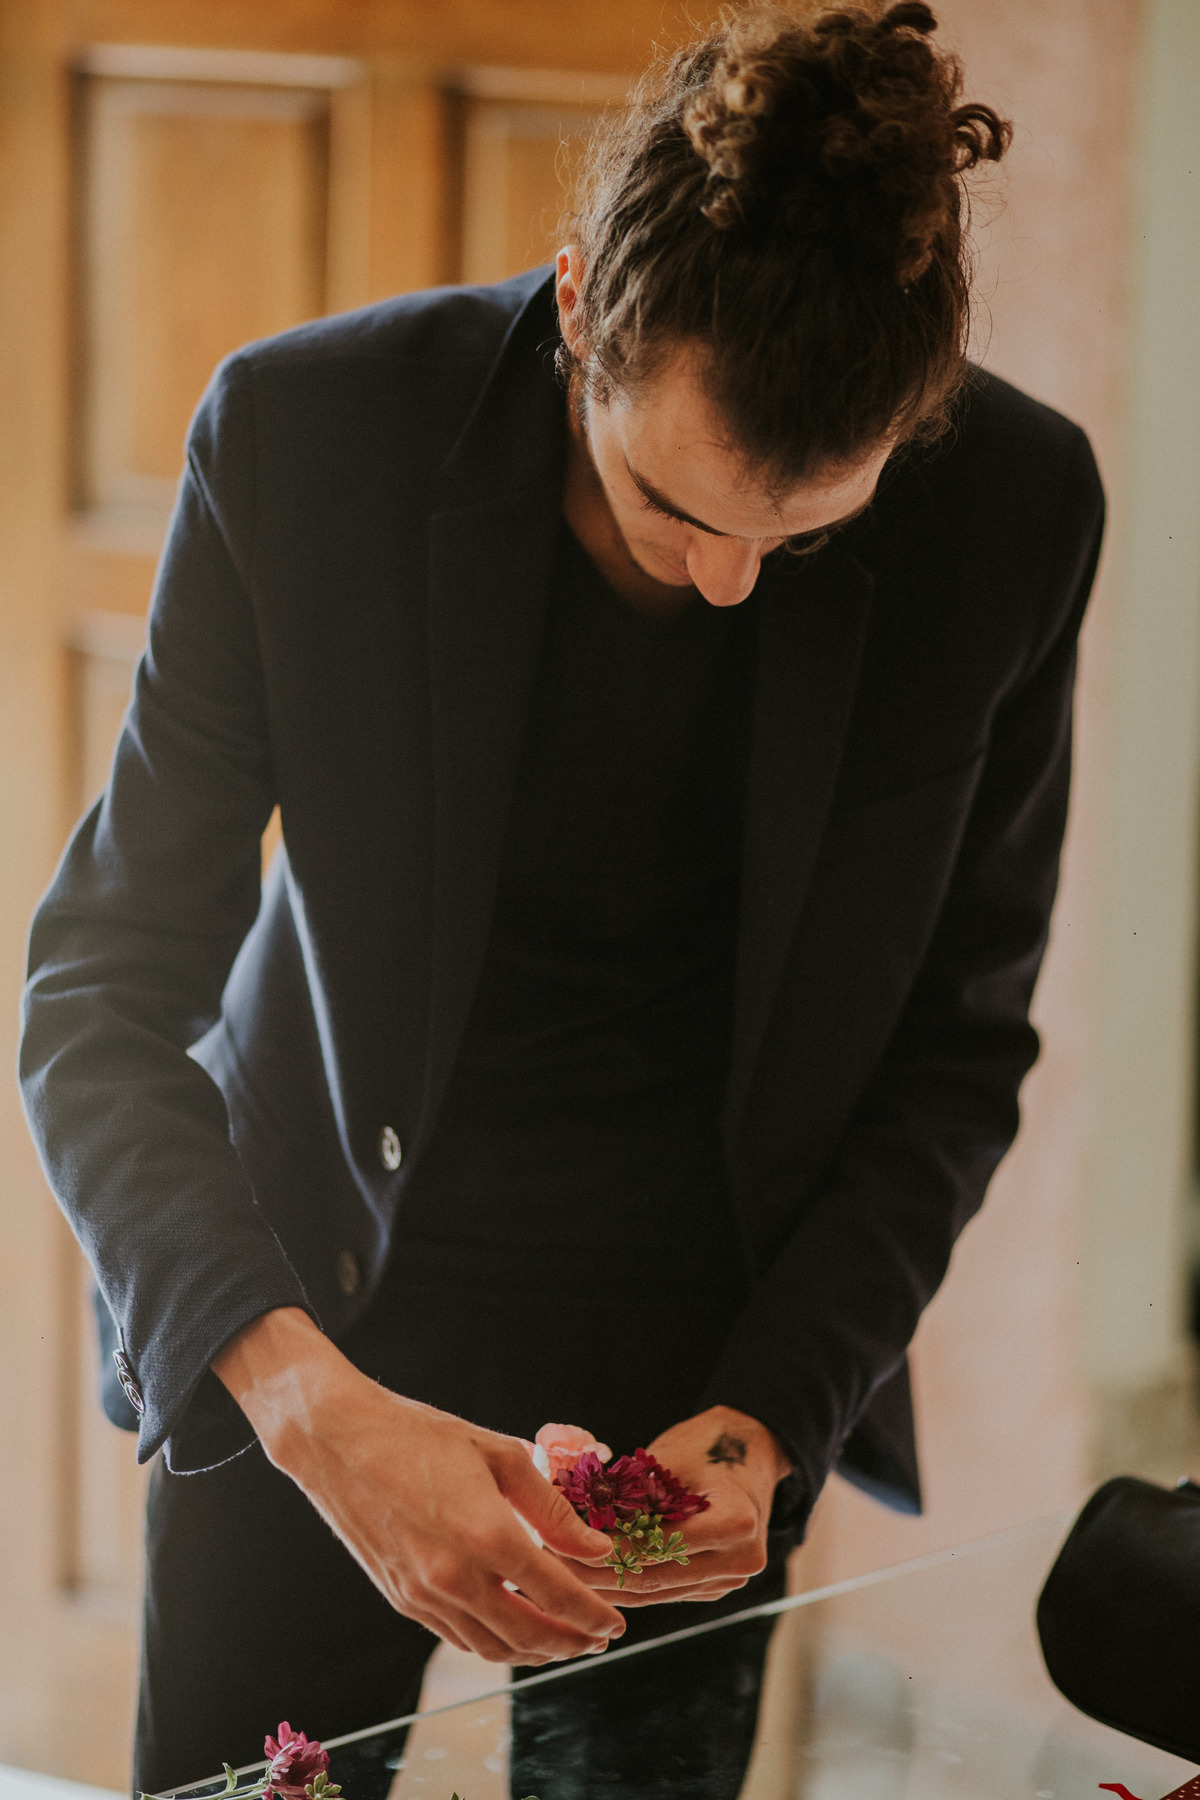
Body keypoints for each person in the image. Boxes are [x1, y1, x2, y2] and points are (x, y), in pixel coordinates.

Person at [19, 2, 1104, 1794]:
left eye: (807, 532)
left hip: (707, 1358)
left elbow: (956, 1043)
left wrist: (770, 1419)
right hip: (301, 1312)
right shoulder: (305, 439)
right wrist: (301, 1401)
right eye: (680, 511)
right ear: (584, 298)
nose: (737, 584)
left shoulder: (1014, 508)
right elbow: (99, 995)